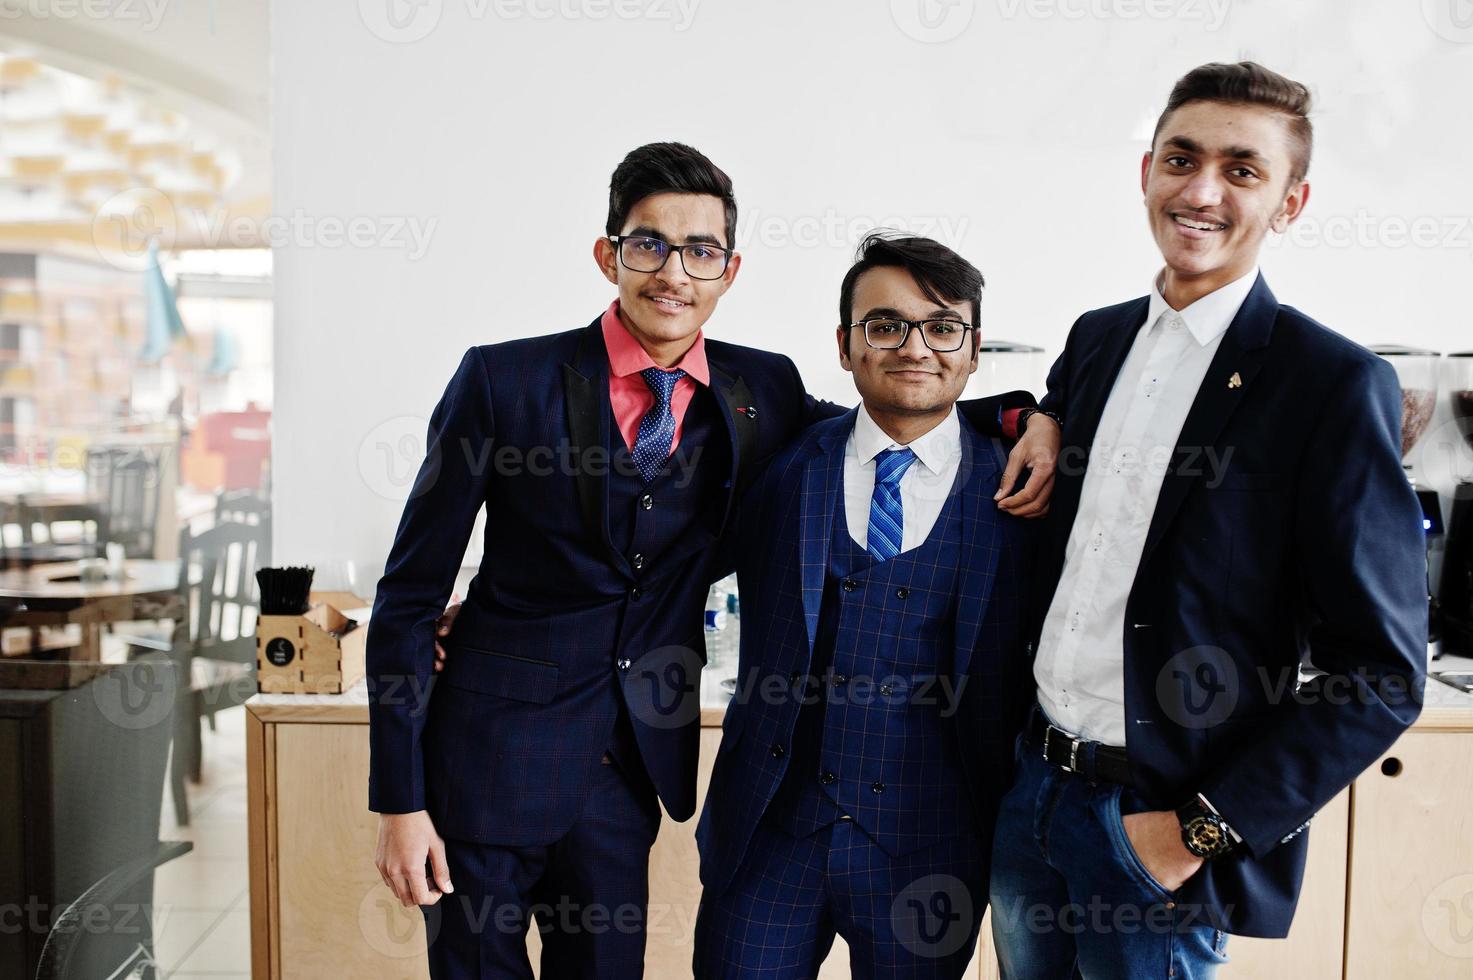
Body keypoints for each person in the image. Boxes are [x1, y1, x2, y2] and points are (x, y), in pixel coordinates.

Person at [367, 142, 1059, 979]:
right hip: (486, 760)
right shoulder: (501, 380)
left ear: (728, 270)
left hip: (625, 777)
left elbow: (903, 400)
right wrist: (399, 800)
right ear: (609, 255)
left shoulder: (759, 391)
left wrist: (1030, 417)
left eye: (700, 251)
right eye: (648, 244)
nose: (672, 273)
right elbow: (407, 598)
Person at [988, 61, 1427, 980]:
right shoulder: (1096, 338)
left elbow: (1382, 675)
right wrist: (1040, 412)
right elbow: (1057, 408)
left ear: (1290, 203)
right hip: (1031, 793)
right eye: (1181, 159)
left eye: (1241, 169)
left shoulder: (1330, 384)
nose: (1200, 190)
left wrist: (1198, 831)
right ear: (1144, 169)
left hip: (1152, 827)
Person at [692, 234, 1038, 978]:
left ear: (974, 349)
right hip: (767, 835)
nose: (913, 346)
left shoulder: (1025, 493)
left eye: (941, 326)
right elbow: (658, 560)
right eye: (883, 325)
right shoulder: (777, 467)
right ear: (845, 347)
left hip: (934, 849)